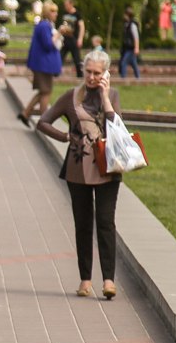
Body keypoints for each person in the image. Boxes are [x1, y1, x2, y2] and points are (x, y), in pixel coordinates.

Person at [36, 51, 122, 300]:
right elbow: (43, 121)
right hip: (77, 169)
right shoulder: (72, 96)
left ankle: (108, 280)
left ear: (106, 73)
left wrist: (105, 99)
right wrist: (65, 137)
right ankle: (85, 280)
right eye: (89, 72)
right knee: (83, 224)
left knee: (106, 223)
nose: (92, 77)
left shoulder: (113, 95)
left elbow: (116, 126)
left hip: (107, 167)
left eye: (98, 73)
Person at [18, 0, 63, 128]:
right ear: (47, 12)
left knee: (43, 92)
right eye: (53, 11)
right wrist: (59, 33)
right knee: (46, 92)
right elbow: (48, 44)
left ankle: (26, 113)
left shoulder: (46, 25)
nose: (56, 14)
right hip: (43, 65)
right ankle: (44, 121)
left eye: (56, 11)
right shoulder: (44, 26)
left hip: (44, 65)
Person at [58, 0, 85, 78]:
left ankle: (80, 76)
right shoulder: (65, 13)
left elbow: (82, 27)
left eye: (66, 5)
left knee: (77, 59)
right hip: (65, 40)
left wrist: (80, 39)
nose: (65, 6)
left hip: (74, 39)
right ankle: (56, 73)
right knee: (60, 57)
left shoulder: (77, 14)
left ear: (71, 4)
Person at [119, 8, 140, 79]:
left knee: (124, 62)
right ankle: (138, 77)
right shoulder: (126, 24)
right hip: (127, 47)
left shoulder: (132, 25)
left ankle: (123, 78)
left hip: (131, 48)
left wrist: (136, 48)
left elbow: (136, 37)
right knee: (134, 64)